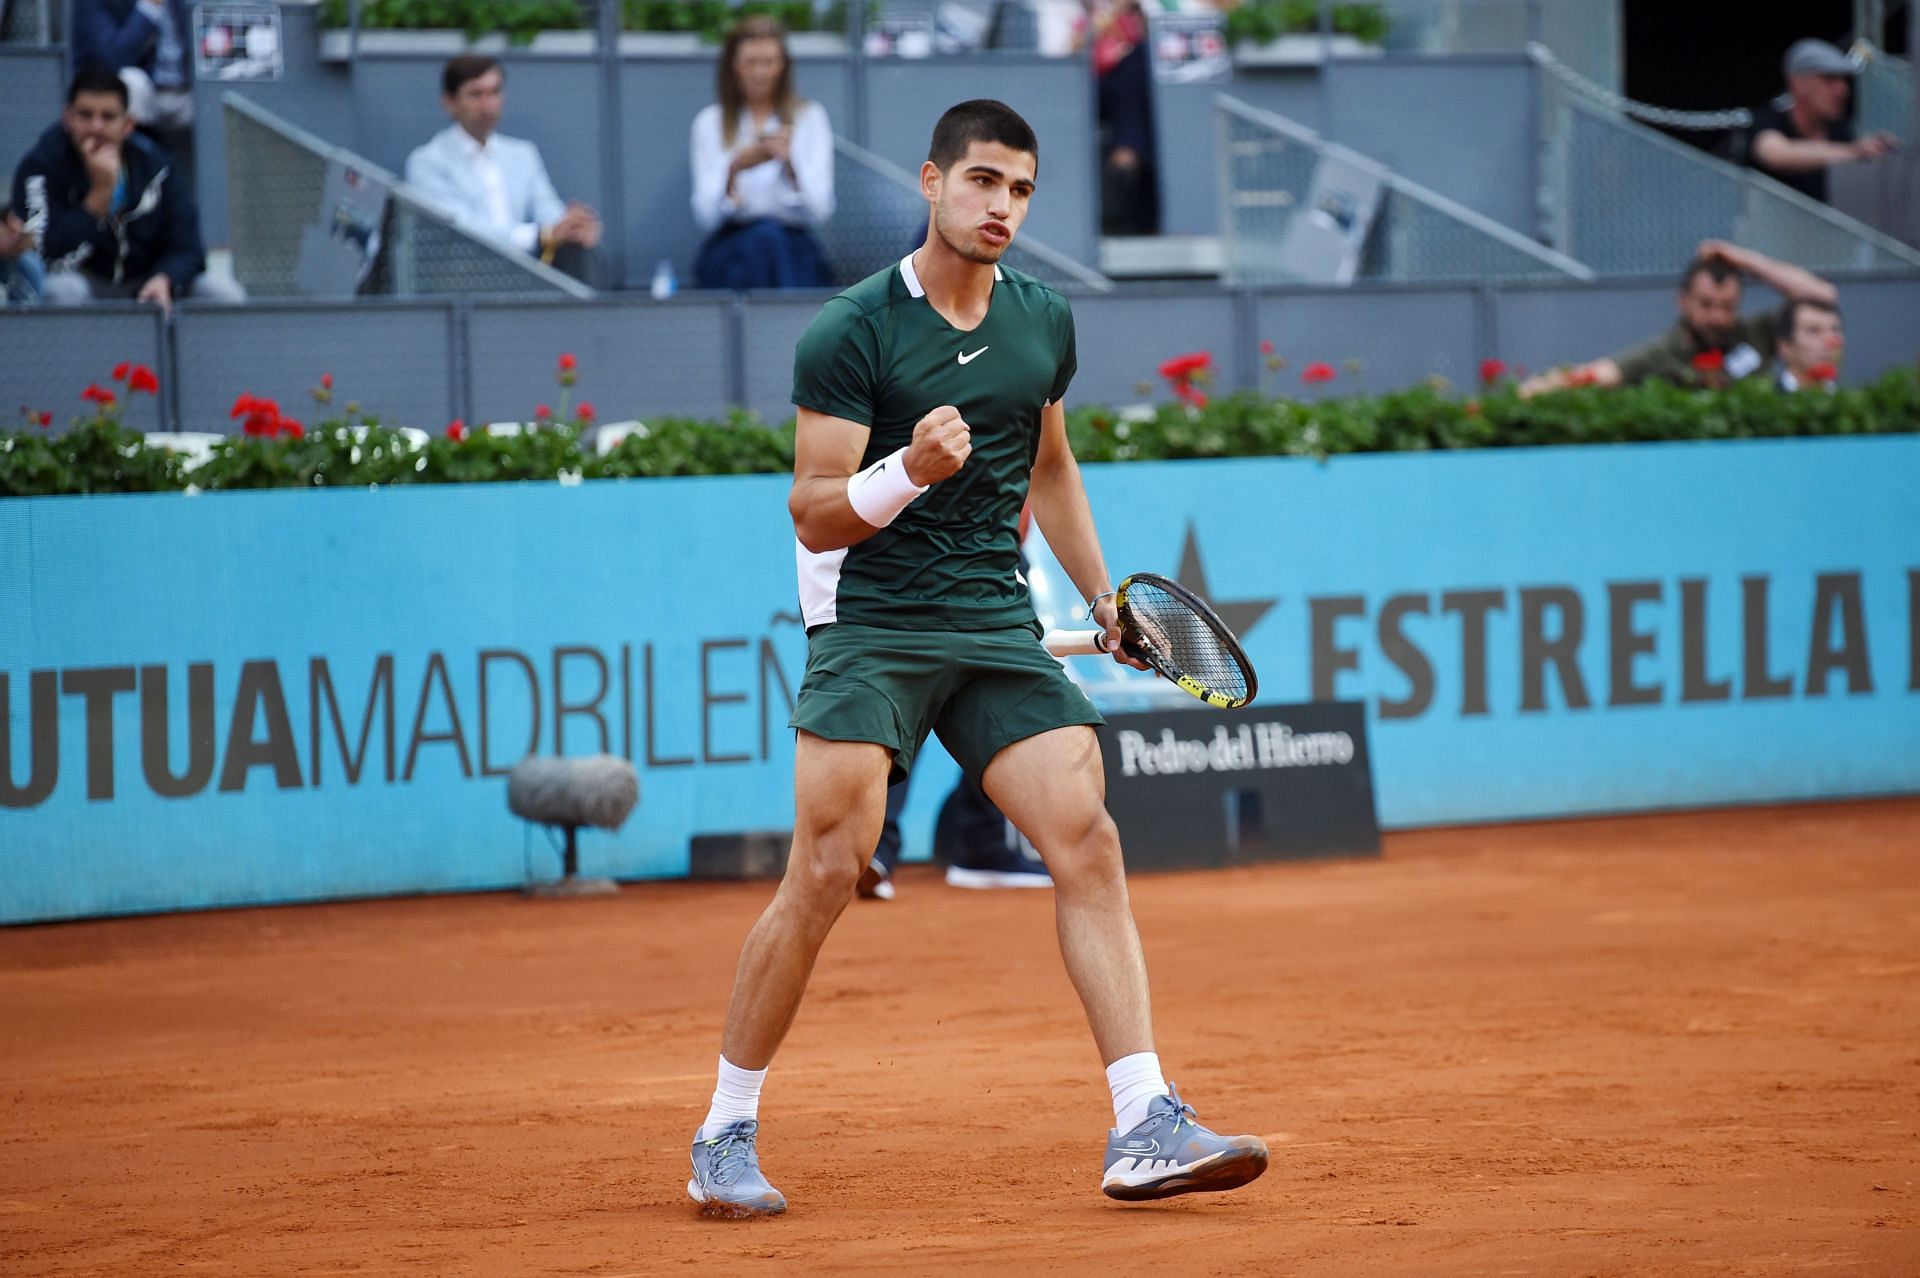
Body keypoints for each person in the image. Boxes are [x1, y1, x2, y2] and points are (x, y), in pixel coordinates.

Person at [686, 98, 1267, 1218]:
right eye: (985, 182)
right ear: (932, 181)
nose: (1003, 207)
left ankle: (1145, 1118)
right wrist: (908, 468)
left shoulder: (1043, 322)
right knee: (827, 869)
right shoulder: (852, 331)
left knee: (1086, 838)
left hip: (995, 624)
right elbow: (811, 514)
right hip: (872, 624)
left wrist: (1105, 602)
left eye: (1022, 190)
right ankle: (724, 1127)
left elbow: (1050, 470)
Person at [12, 67, 242, 310]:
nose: (96, 127)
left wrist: (166, 279)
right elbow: (45, 254)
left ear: (128, 124)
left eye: (108, 116)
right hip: (85, 284)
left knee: (221, 292)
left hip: (146, 283)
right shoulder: (40, 166)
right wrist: (99, 196)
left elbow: (189, 248)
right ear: (67, 118)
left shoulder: (157, 165)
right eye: (85, 115)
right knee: (62, 291)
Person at [1518, 241, 1836, 396]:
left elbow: (1821, 297)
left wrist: (1746, 260)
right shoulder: (1662, 351)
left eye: (1727, 306)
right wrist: (1530, 392)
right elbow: (1600, 373)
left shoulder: (1755, 333)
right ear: (1682, 301)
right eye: (1706, 305)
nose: (1717, 316)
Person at [404, 56, 602, 262]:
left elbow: (547, 209)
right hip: (464, 272)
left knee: (581, 253)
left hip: (531, 271)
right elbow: (460, 230)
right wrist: (539, 235)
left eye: (494, 92)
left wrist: (573, 227)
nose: (487, 105)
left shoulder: (523, 154)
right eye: (476, 94)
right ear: (450, 103)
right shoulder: (427, 162)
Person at [690, 17, 834, 290]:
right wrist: (733, 171)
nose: (760, 73)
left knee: (770, 241)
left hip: (791, 245)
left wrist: (792, 167)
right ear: (733, 65)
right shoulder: (710, 123)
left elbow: (821, 210)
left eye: (768, 62)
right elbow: (705, 216)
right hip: (734, 245)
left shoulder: (809, 118)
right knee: (761, 242)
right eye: (750, 63)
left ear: (783, 66)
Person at [1744, 38, 1900, 205]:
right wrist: (1856, 152)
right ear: (1798, 82)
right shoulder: (1768, 119)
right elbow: (1774, 153)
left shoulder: (1839, 130)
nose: (1842, 90)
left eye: (1843, 80)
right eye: (1829, 79)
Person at [71, 0, 195, 140]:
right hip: (145, 90)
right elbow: (112, 60)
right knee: (132, 82)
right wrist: (149, 7)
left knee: (219, 88)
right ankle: (133, 158)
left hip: (188, 92)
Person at [1774, 297, 1845, 392]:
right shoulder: (1764, 403)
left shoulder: (1854, 403)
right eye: (1814, 331)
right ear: (1785, 346)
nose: (1830, 342)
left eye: (1835, 330)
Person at [1, 208, 45, 306]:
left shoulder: (25, 262)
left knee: (28, 260)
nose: (13, 236)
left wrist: (17, 249)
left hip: (18, 317)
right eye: (8, 231)